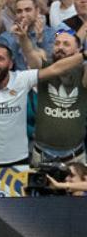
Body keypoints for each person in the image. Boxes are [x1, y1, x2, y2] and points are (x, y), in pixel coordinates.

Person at [31, 30, 87, 166]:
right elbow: (30, 55)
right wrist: (23, 38)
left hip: (74, 156)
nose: (60, 47)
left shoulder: (84, 72)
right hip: (42, 154)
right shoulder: (45, 67)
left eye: (66, 44)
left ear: (78, 49)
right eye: (57, 43)